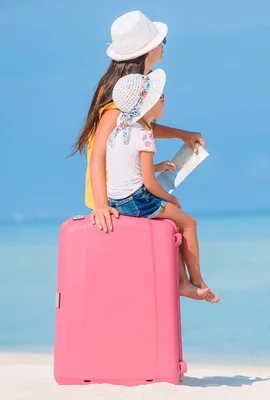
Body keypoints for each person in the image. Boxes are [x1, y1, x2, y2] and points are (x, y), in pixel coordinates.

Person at [69, 10, 210, 301]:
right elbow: (98, 150)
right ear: (147, 50)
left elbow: (137, 129)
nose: (163, 45)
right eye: (162, 41)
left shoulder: (130, 87)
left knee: (173, 221)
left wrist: (182, 134)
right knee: (181, 220)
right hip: (114, 194)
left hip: (122, 188)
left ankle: (183, 282)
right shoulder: (115, 95)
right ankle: (187, 283)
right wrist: (100, 205)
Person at [106, 69, 220, 304]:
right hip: (137, 201)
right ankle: (197, 282)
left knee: (173, 224)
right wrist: (169, 200)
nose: (164, 99)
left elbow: (128, 165)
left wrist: (157, 167)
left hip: (116, 200)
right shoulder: (145, 135)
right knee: (188, 222)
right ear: (146, 106)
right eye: (159, 96)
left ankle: (182, 282)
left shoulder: (120, 129)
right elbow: (148, 184)